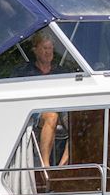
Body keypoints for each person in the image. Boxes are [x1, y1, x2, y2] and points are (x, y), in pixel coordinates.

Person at [11, 31, 68, 170]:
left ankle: (63, 167)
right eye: (45, 48)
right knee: (51, 116)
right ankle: (45, 166)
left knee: (80, 121)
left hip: (61, 108)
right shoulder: (24, 72)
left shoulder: (61, 72)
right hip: (35, 110)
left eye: (50, 49)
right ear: (35, 50)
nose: (49, 52)